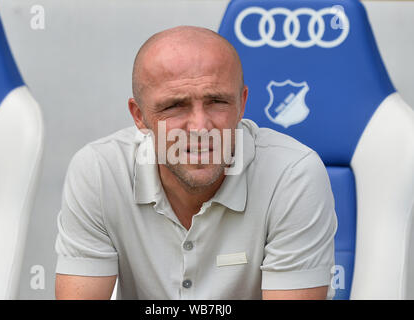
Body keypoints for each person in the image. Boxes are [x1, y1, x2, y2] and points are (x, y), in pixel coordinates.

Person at [54, 26, 337, 300]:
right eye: (175, 106)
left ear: (242, 104)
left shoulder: (292, 174)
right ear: (139, 116)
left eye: (216, 101)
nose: (201, 127)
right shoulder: (99, 171)